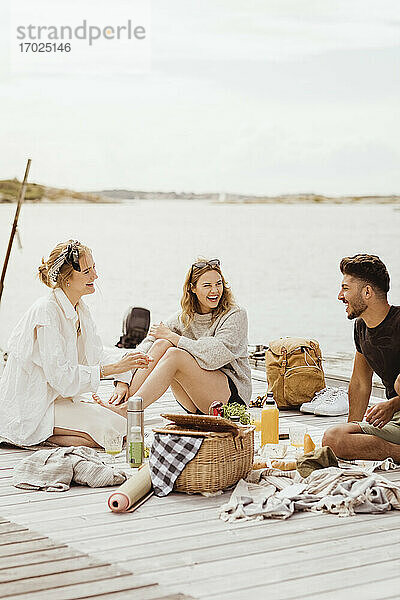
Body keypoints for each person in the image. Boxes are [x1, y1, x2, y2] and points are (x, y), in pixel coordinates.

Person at [0, 240, 151, 448]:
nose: (95, 276)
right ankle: (37, 434)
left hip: (62, 399)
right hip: (38, 404)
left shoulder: (80, 308)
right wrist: (114, 369)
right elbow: (61, 378)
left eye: (94, 268)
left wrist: (129, 362)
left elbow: (96, 353)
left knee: (123, 429)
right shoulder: (47, 311)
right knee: (109, 437)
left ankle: (49, 433)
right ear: (67, 278)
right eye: (87, 271)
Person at [95, 258, 252, 416]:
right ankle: (122, 405)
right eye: (207, 285)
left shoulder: (235, 314)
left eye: (219, 284)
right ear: (193, 288)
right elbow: (147, 347)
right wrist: (122, 380)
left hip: (231, 400)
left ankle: (127, 410)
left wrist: (175, 338)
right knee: (161, 343)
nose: (215, 291)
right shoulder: (184, 318)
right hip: (193, 400)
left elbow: (215, 357)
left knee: (174, 355)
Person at [322, 254, 400, 461]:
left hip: (396, 409)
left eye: (345, 288)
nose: (340, 296)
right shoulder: (361, 327)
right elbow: (359, 383)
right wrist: (352, 428)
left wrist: (394, 403)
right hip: (396, 418)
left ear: (367, 292)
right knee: (336, 438)